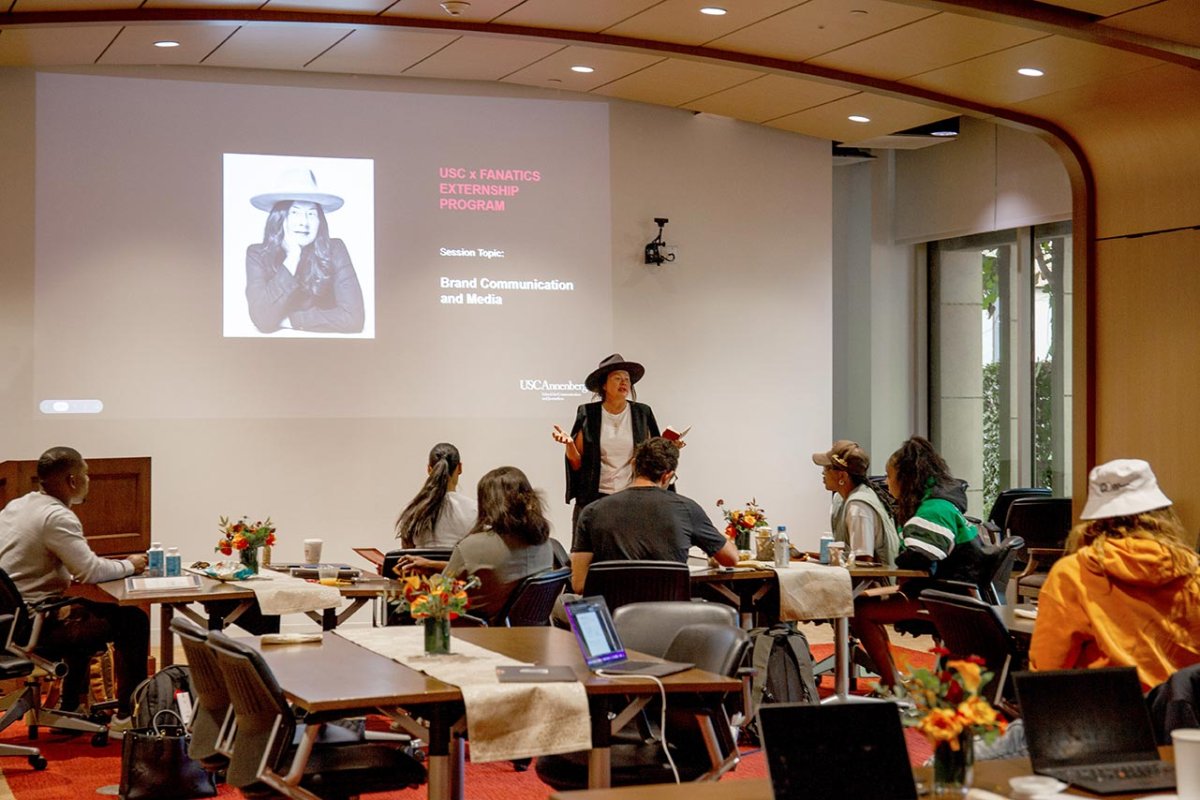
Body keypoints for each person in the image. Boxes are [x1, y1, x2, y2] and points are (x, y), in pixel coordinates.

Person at [0, 447, 149, 726]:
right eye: (85, 474)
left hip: (9, 622)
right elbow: (90, 570)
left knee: (82, 610)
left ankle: (71, 706)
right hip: (34, 625)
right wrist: (132, 565)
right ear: (72, 481)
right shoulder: (57, 517)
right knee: (134, 620)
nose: (88, 481)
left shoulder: (18, 506)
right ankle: (129, 716)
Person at [1030, 458, 1200, 690]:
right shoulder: (1193, 572)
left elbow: (1047, 672)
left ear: (1099, 518)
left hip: (1103, 719)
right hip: (1182, 719)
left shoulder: (1072, 574)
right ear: (1161, 512)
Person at [851, 436, 984, 688]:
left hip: (949, 599)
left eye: (890, 477)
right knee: (862, 602)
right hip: (947, 590)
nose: (887, 483)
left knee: (861, 612)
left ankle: (893, 686)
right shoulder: (940, 503)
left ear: (906, 477)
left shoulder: (934, 510)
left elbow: (920, 561)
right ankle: (893, 683)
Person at [571, 437, 737, 594]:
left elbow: (579, 584)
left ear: (634, 465)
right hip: (669, 618)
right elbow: (731, 559)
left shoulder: (592, 512)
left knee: (562, 606)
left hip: (615, 618)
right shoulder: (686, 509)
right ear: (668, 476)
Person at [245, 168, 365, 334]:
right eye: (294, 212)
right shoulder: (257, 255)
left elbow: (354, 319)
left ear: (319, 220)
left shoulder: (335, 250)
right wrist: (293, 257)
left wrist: (294, 320)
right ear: (280, 218)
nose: (304, 222)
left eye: (311, 213)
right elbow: (262, 320)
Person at [552, 354, 662, 530]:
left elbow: (652, 454)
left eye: (626, 379)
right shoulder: (588, 413)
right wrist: (569, 445)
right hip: (594, 497)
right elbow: (576, 463)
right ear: (604, 385)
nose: (624, 382)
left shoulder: (642, 412)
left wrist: (670, 446)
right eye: (617, 378)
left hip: (632, 497)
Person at [442, 466, 555, 622]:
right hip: (531, 637)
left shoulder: (471, 547)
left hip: (478, 636)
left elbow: (440, 597)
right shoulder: (545, 545)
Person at [812, 440, 899, 568]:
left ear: (842, 475)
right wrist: (807, 556)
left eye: (827, 468)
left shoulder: (858, 507)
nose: (823, 473)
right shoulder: (840, 499)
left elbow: (863, 562)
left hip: (872, 584)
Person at [395, 443, 477, 550]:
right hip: (458, 566)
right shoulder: (475, 510)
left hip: (420, 567)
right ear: (460, 468)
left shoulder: (412, 511)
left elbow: (406, 554)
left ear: (429, 469)